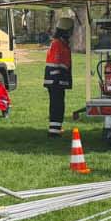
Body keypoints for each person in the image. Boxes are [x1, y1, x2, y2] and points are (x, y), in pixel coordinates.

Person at [44, 9, 75, 138]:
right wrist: (61, 78)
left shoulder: (60, 43)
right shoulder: (58, 44)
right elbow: (57, 62)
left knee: (57, 104)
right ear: (66, 31)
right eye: (71, 30)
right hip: (56, 80)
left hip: (55, 80)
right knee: (57, 105)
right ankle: (54, 131)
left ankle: (56, 129)